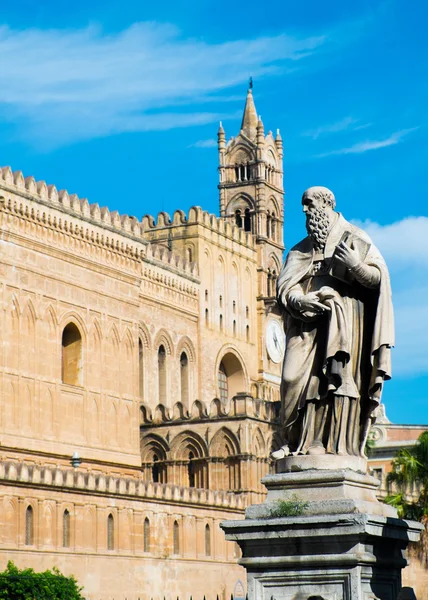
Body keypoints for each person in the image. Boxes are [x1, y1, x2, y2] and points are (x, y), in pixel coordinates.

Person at [274, 186, 394, 458]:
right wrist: (299, 300)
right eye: (304, 205)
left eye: (310, 204)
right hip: (306, 326)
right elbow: (284, 289)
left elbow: (378, 280)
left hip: (347, 323)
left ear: (327, 203)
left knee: (337, 383)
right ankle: (293, 441)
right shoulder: (298, 251)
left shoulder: (355, 237)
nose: (305, 211)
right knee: (292, 378)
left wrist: (355, 265)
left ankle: (330, 446)